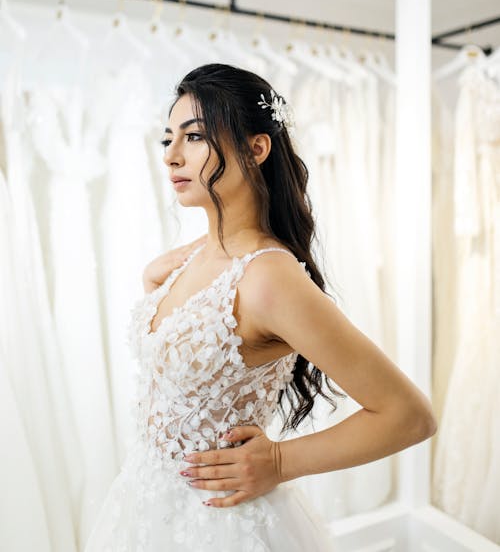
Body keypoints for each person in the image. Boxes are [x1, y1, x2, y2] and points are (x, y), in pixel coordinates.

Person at [84, 62, 437, 551]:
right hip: (146, 508)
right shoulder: (187, 262)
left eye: (195, 137)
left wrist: (278, 462)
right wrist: (155, 285)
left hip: (218, 523)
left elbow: (409, 415)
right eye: (167, 139)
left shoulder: (268, 277)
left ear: (256, 148)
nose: (171, 156)